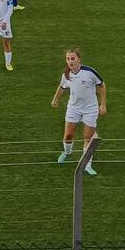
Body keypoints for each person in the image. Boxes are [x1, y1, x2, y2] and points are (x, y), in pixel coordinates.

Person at [52, 48, 103, 176]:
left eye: (72, 58)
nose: (70, 61)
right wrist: (55, 100)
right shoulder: (66, 74)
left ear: (79, 59)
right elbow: (62, 87)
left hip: (90, 109)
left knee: (88, 137)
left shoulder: (89, 72)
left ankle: (87, 165)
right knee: (68, 136)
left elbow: (102, 85)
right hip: (73, 108)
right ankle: (67, 153)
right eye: (68, 59)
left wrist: (103, 104)